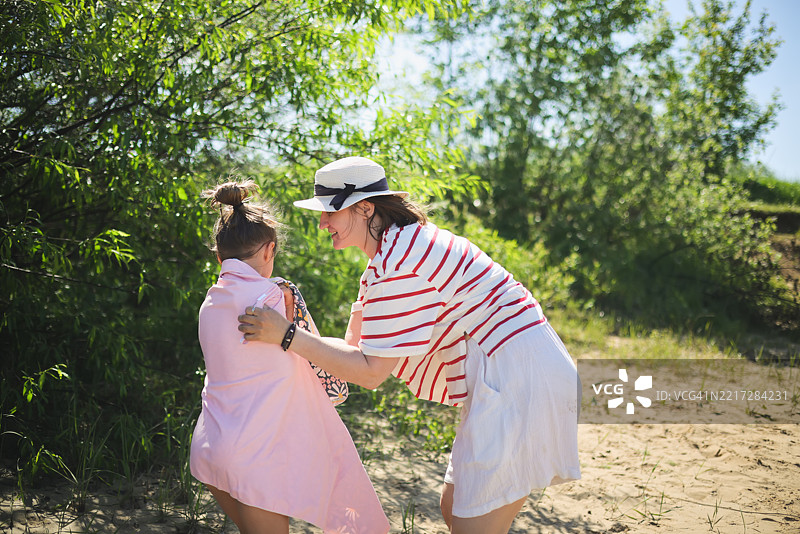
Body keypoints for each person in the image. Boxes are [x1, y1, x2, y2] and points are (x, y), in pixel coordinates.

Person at [237, 156, 581, 534]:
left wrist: (287, 335)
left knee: (472, 527)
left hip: (520, 379)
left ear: (365, 208)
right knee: (453, 508)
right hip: (511, 373)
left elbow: (369, 373)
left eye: (330, 212)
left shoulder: (401, 261)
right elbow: (352, 347)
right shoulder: (391, 255)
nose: (322, 223)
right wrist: (293, 326)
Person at [189, 179, 390, 534]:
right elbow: (323, 366)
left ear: (220, 257)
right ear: (269, 250)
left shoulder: (209, 301)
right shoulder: (278, 296)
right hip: (257, 456)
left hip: (210, 447)